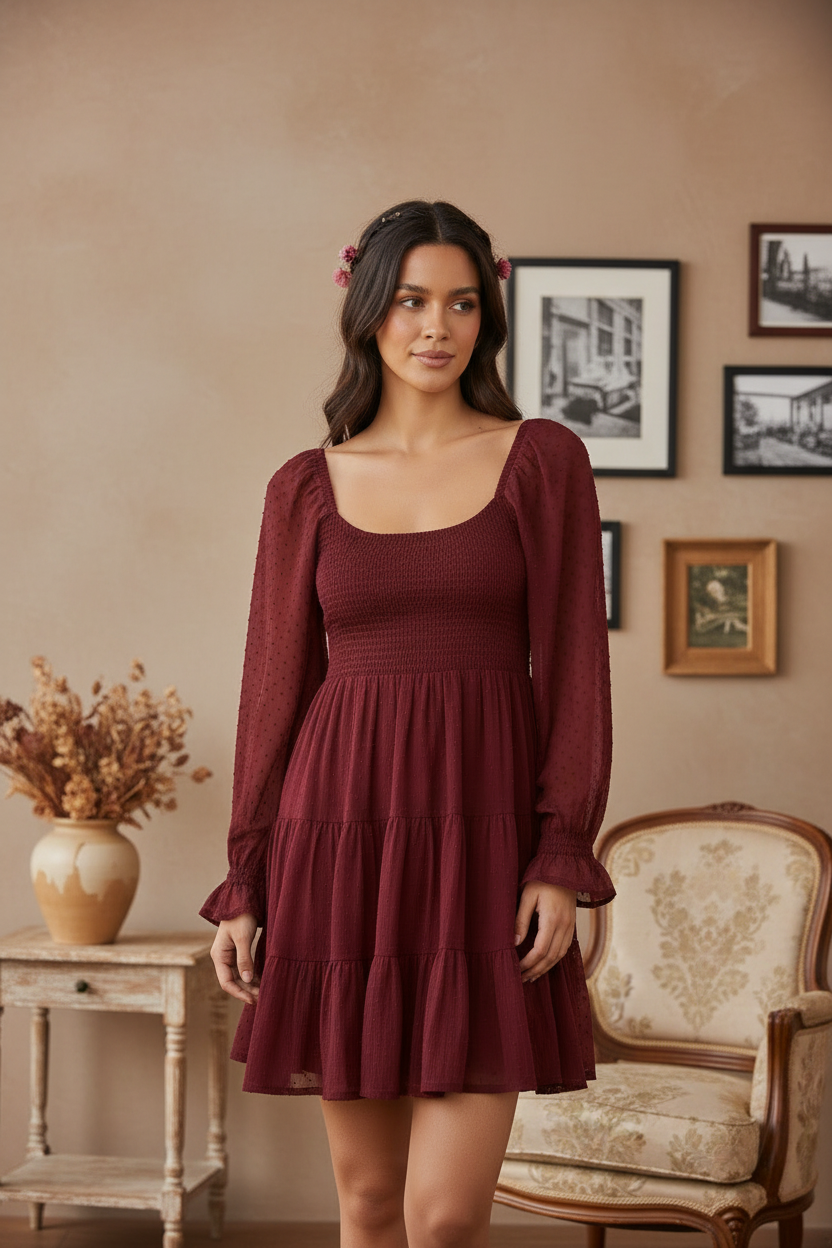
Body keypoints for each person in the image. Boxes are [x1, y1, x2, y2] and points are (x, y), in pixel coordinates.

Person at [200, 199, 614, 1248]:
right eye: (414, 300)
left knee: (439, 1221)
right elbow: (271, 696)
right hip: (338, 852)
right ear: (369, 310)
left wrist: (558, 854)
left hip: (485, 854)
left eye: (464, 303)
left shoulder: (542, 461)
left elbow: (573, 670)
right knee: (371, 1210)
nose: (438, 326)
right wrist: (246, 880)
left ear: (488, 319)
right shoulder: (303, 487)